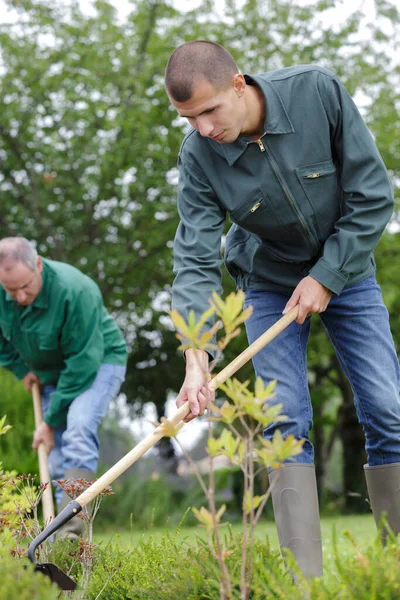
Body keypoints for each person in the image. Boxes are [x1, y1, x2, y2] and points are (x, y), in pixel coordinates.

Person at [164, 40, 400, 578]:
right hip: (269, 284)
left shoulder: (316, 92)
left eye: (208, 111)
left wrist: (327, 276)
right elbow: (195, 255)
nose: (202, 128)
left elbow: (371, 194)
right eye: (187, 118)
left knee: (389, 410)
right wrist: (197, 353)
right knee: (284, 422)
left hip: (348, 269)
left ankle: (393, 572)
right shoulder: (198, 155)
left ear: (238, 84)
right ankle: (305, 583)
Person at [0, 237, 128, 538]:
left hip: (97, 362)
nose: (19, 297)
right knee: (54, 456)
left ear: (39, 265)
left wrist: (49, 420)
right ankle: (56, 541)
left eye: (26, 286)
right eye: (10, 290)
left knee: (79, 428)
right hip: (49, 373)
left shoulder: (76, 290)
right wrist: (22, 370)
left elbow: (83, 364)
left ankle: (70, 533)